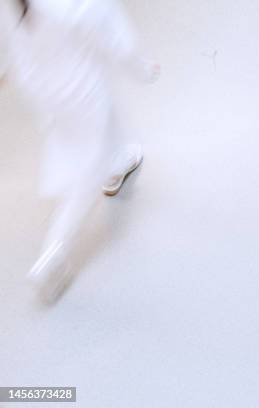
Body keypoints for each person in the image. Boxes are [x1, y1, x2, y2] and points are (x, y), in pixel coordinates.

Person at [0, 0, 160, 301]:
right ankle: (53, 254)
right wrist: (144, 70)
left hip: (44, 91)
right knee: (88, 170)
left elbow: (9, 41)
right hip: (82, 93)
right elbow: (116, 42)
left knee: (97, 134)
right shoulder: (81, 5)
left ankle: (123, 160)